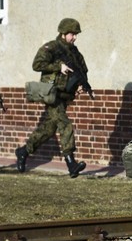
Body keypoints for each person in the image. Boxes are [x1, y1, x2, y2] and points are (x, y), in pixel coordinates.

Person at [15, 18, 91, 177]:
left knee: (48, 129)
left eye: (76, 35)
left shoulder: (75, 53)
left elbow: (82, 72)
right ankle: (71, 164)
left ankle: (23, 151)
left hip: (64, 95)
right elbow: (37, 64)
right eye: (72, 34)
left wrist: (80, 86)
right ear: (63, 33)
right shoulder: (52, 47)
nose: (74, 37)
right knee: (65, 124)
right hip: (52, 94)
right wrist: (58, 66)